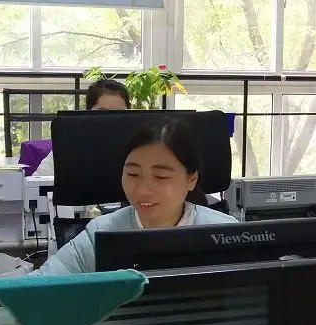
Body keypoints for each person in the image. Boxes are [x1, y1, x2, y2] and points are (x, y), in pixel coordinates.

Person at [36, 118, 238, 275]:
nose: (142, 190)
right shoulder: (102, 232)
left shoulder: (226, 234)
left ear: (191, 179)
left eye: (161, 176)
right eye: (133, 174)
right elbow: (41, 286)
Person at [32, 79, 131, 177]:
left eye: (119, 114)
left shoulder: (137, 148)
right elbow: (37, 183)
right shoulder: (68, 146)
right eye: (103, 113)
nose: (112, 120)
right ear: (88, 113)